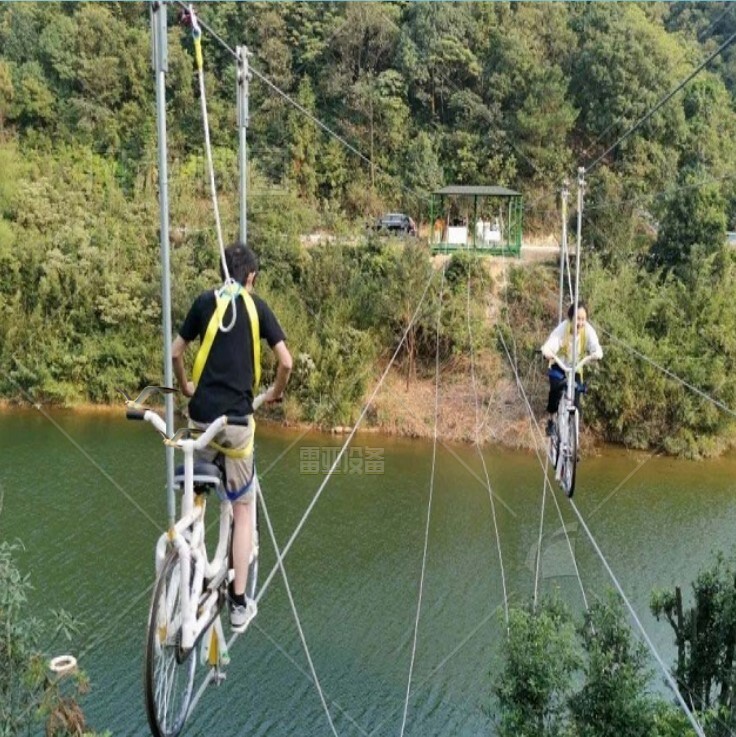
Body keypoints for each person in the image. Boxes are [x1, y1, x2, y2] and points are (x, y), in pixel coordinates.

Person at [172, 242, 292, 631]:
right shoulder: (257, 307)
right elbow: (286, 362)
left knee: (197, 493)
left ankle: (189, 571)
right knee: (243, 508)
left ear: (220, 270)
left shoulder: (204, 302)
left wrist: (187, 385)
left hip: (201, 420)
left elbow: (176, 352)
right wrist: (275, 392)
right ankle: (238, 603)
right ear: (251, 277)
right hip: (237, 425)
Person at [541, 301, 602, 436]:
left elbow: (596, 347)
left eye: (583, 319)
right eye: (577, 319)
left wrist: (596, 354)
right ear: (571, 318)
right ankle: (551, 420)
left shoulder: (588, 331)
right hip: (560, 365)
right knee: (555, 389)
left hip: (575, 368)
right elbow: (551, 343)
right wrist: (547, 351)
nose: (580, 323)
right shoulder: (563, 328)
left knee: (576, 399)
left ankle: (572, 435)